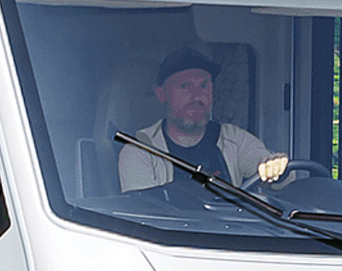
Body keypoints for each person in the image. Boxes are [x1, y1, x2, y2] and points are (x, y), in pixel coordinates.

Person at [118, 48, 289, 192]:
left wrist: (276, 169)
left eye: (204, 86)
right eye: (184, 86)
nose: (196, 96)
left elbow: (266, 167)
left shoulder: (234, 139)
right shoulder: (140, 151)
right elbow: (145, 215)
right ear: (162, 94)